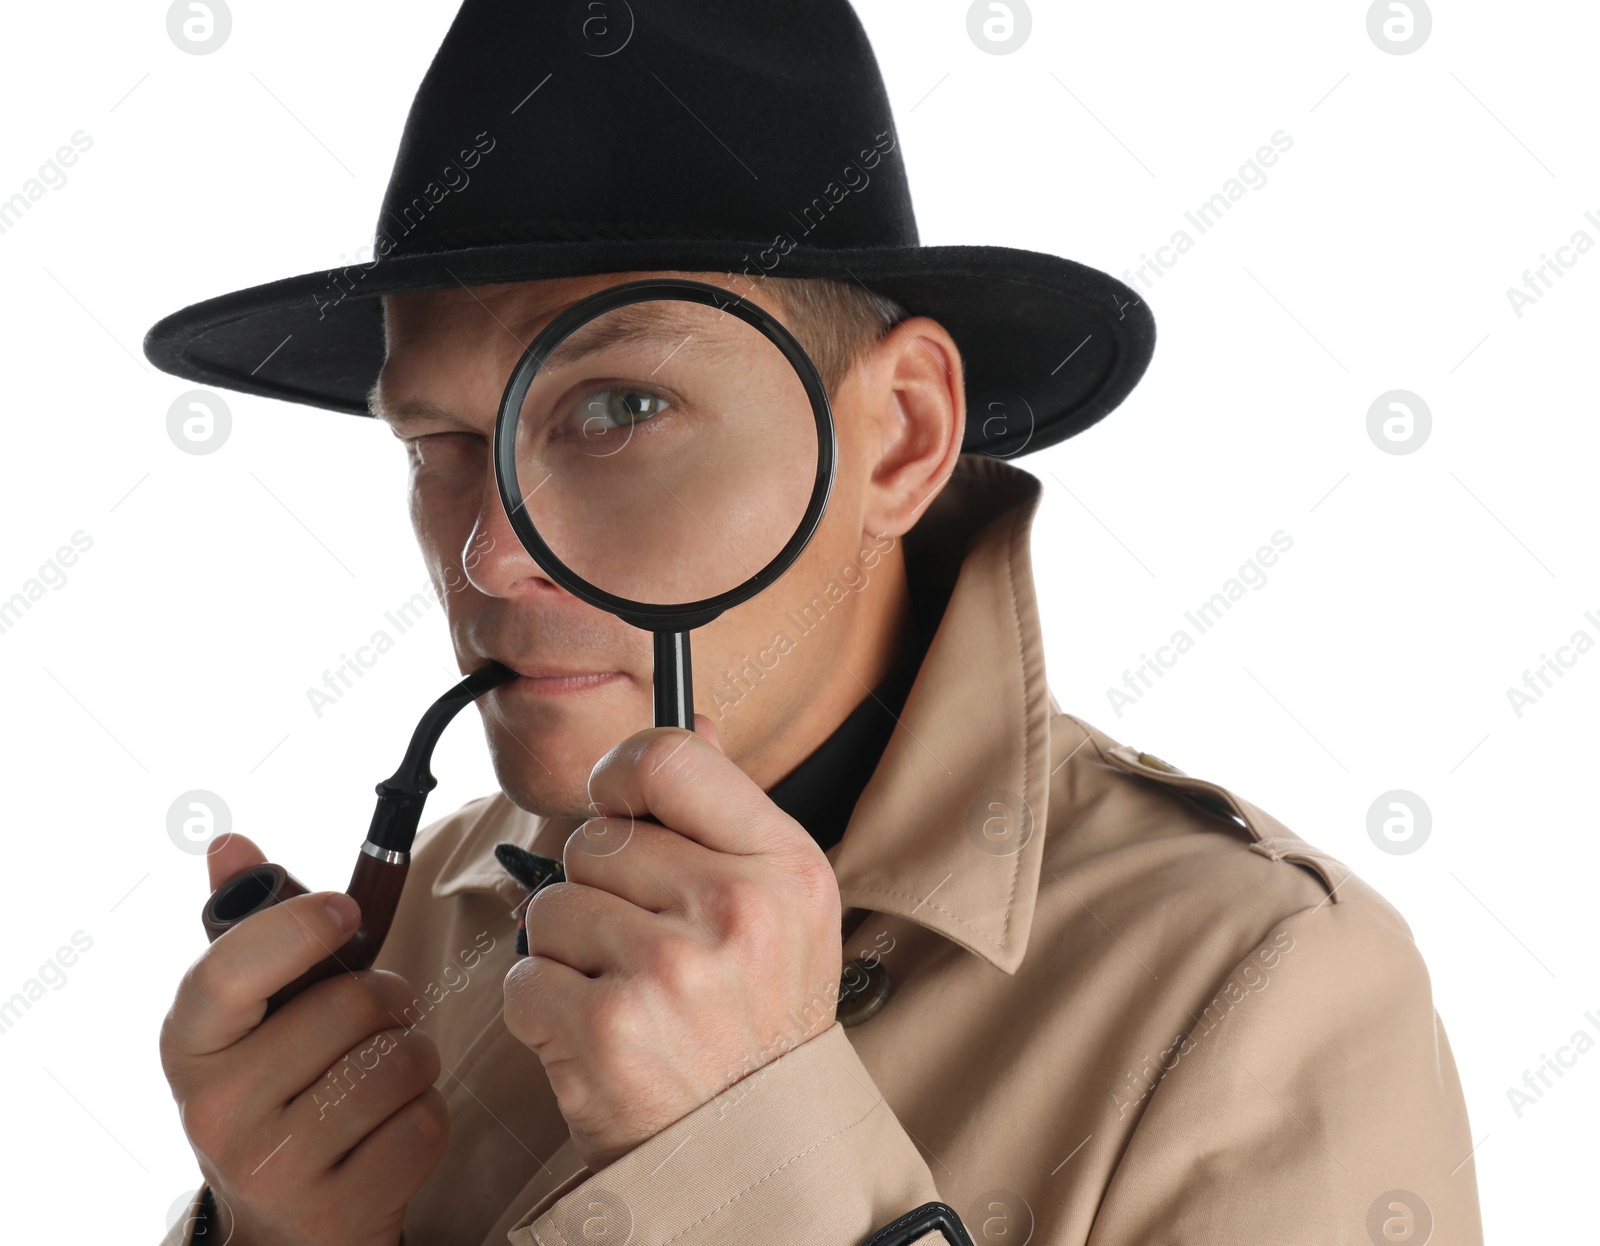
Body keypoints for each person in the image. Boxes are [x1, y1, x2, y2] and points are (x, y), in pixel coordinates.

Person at [145, 2, 1483, 1243]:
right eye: (438, 439)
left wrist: (754, 1150)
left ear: (899, 438)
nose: (490, 553)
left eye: (617, 408)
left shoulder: (1253, 988)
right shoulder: (430, 933)